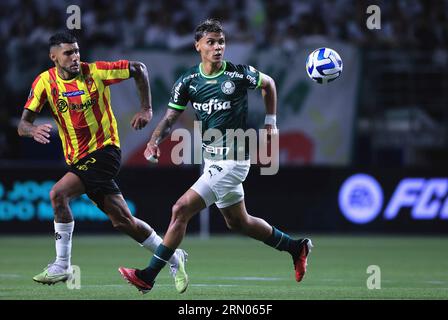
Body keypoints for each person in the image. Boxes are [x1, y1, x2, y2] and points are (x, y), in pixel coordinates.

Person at [118, 19, 312, 294]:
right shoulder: (188, 81)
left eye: (221, 42)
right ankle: (296, 247)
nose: (218, 47)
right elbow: (171, 117)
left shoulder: (237, 74)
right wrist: (153, 141)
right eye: (211, 42)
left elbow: (269, 84)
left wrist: (270, 123)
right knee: (238, 222)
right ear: (198, 45)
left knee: (180, 209)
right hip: (212, 158)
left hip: (235, 159)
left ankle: (148, 275)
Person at [17, 31, 188, 293]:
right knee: (123, 221)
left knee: (58, 193)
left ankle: (62, 264)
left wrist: (146, 109)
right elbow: (23, 124)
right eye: (68, 53)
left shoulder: (95, 72)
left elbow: (138, 69)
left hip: (105, 151)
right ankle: (172, 256)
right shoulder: (44, 83)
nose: (75, 57)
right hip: (77, 159)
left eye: (77, 51)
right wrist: (32, 130)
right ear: (54, 57)